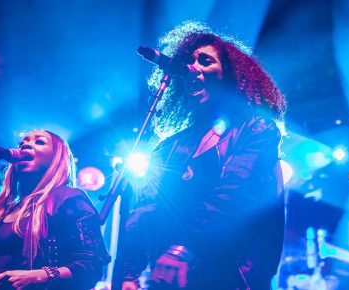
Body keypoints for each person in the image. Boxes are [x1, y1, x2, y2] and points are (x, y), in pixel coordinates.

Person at [121, 21, 287, 290]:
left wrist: (184, 249)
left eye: (205, 61)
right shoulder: (171, 146)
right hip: (171, 278)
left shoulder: (255, 129)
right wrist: (129, 273)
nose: (192, 68)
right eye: (188, 61)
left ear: (231, 75)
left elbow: (232, 195)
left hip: (230, 276)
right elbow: (145, 209)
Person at [0, 130, 111, 290]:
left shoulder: (68, 199)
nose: (26, 145)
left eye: (39, 142)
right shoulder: (0, 212)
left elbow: (91, 265)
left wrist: (40, 275)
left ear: (56, 158)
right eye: (22, 144)